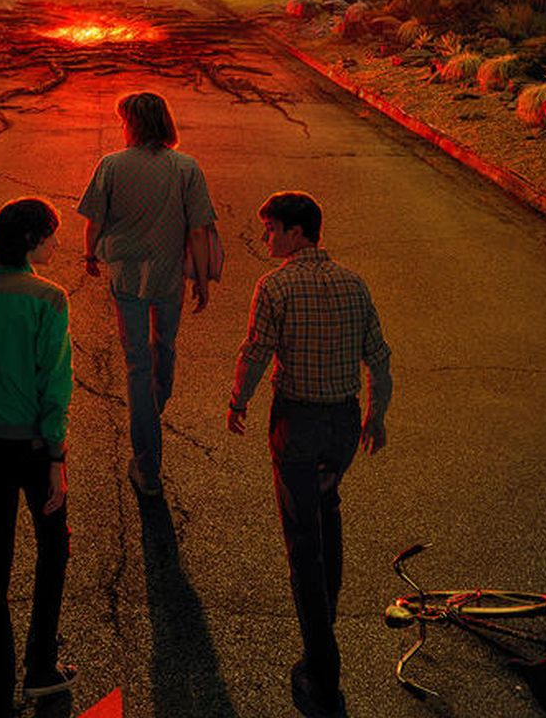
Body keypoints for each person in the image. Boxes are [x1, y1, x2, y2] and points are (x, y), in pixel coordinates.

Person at [226, 191, 392, 718]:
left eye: (271, 229)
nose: (265, 238)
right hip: (341, 424)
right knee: (326, 510)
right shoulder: (354, 282)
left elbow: (256, 351)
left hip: (296, 423)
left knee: (302, 544)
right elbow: (378, 358)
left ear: (296, 233)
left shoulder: (274, 286)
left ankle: (321, 670)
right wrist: (375, 417)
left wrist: (238, 400)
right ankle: (326, 619)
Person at [0, 198, 76, 718]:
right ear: (30, 240)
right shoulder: (49, 299)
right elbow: (56, 384)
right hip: (34, 447)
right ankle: (40, 665)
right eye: (50, 235)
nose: (56, 244)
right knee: (53, 548)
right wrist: (56, 456)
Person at [78, 91, 217, 498]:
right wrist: (202, 279)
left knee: (137, 365)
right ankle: (151, 416)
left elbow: (94, 221)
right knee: (164, 349)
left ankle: (146, 461)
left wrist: (90, 254)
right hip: (168, 280)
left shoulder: (111, 166)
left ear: (132, 125)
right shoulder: (186, 168)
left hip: (127, 279)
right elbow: (198, 230)